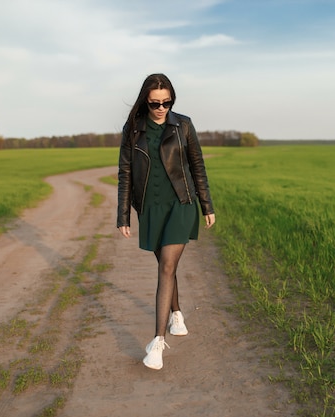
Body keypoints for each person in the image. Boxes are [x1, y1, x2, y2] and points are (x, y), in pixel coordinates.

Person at [117, 73, 215, 370]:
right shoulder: (133, 129)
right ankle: (176, 314)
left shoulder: (183, 124)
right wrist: (123, 214)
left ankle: (157, 342)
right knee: (166, 267)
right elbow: (125, 173)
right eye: (156, 102)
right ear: (145, 100)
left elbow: (197, 164)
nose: (162, 107)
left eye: (167, 102)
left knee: (167, 267)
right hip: (150, 207)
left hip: (181, 204)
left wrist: (206, 205)